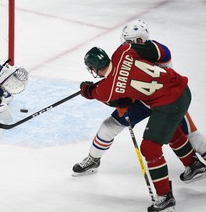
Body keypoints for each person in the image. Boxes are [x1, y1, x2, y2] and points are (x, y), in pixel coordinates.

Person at [78, 45, 206, 211]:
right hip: (181, 88)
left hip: (168, 103)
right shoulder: (123, 50)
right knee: (168, 130)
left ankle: (165, 198)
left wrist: (85, 88)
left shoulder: (106, 90)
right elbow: (152, 55)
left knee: (150, 148)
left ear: (94, 69)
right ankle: (193, 165)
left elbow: (94, 92)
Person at [73, 20, 206, 178]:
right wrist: (110, 82)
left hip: (164, 100)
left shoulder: (156, 52)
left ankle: (193, 165)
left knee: (192, 136)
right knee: (109, 127)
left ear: (140, 41)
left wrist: (103, 90)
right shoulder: (144, 50)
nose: (126, 44)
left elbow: (127, 81)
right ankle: (93, 159)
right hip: (142, 101)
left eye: (129, 42)